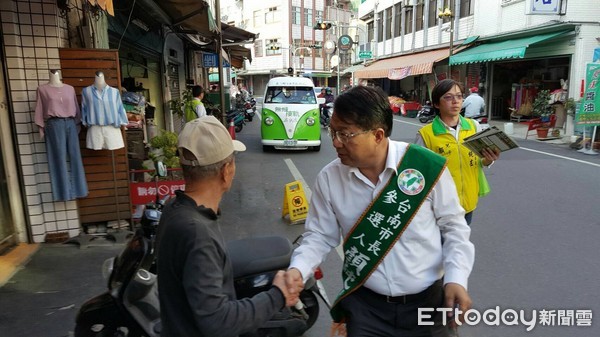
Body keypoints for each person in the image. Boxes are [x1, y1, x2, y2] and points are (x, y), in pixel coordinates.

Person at [285, 86, 475, 337]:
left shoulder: (426, 167)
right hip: (365, 308)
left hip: (429, 305)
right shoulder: (330, 178)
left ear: (377, 134)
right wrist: (298, 269)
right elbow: (319, 236)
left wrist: (456, 278)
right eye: (333, 131)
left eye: (345, 134)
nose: (335, 142)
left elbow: (454, 228)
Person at [155, 116, 298, 337]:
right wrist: (277, 295)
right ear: (226, 170)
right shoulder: (197, 234)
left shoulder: (174, 208)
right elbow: (218, 321)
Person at [415, 79, 499, 225]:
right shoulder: (425, 134)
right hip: (440, 207)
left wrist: (489, 159)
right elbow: (418, 173)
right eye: (448, 97)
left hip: (467, 202)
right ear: (436, 103)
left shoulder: (474, 126)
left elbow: (480, 161)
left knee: (460, 245)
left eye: (459, 96)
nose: (455, 101)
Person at [35, 69, 88, 201]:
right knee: (57, 158)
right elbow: (39, 108)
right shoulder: (42, 89)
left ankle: (79, 190)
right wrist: (41, 127)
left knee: (75, 157)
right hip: (54, 124)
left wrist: (77, 123)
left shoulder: (70, 89)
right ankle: (63, 193)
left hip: (70, 122)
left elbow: (75, 107)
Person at [80, 71, 128, 150]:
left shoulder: (114, 92)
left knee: (113, 149)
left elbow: (120, 107)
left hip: (112, 129)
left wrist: (123, 121)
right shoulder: (86, 91)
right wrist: (84, 121)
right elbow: (84, 108)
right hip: (94, 129)